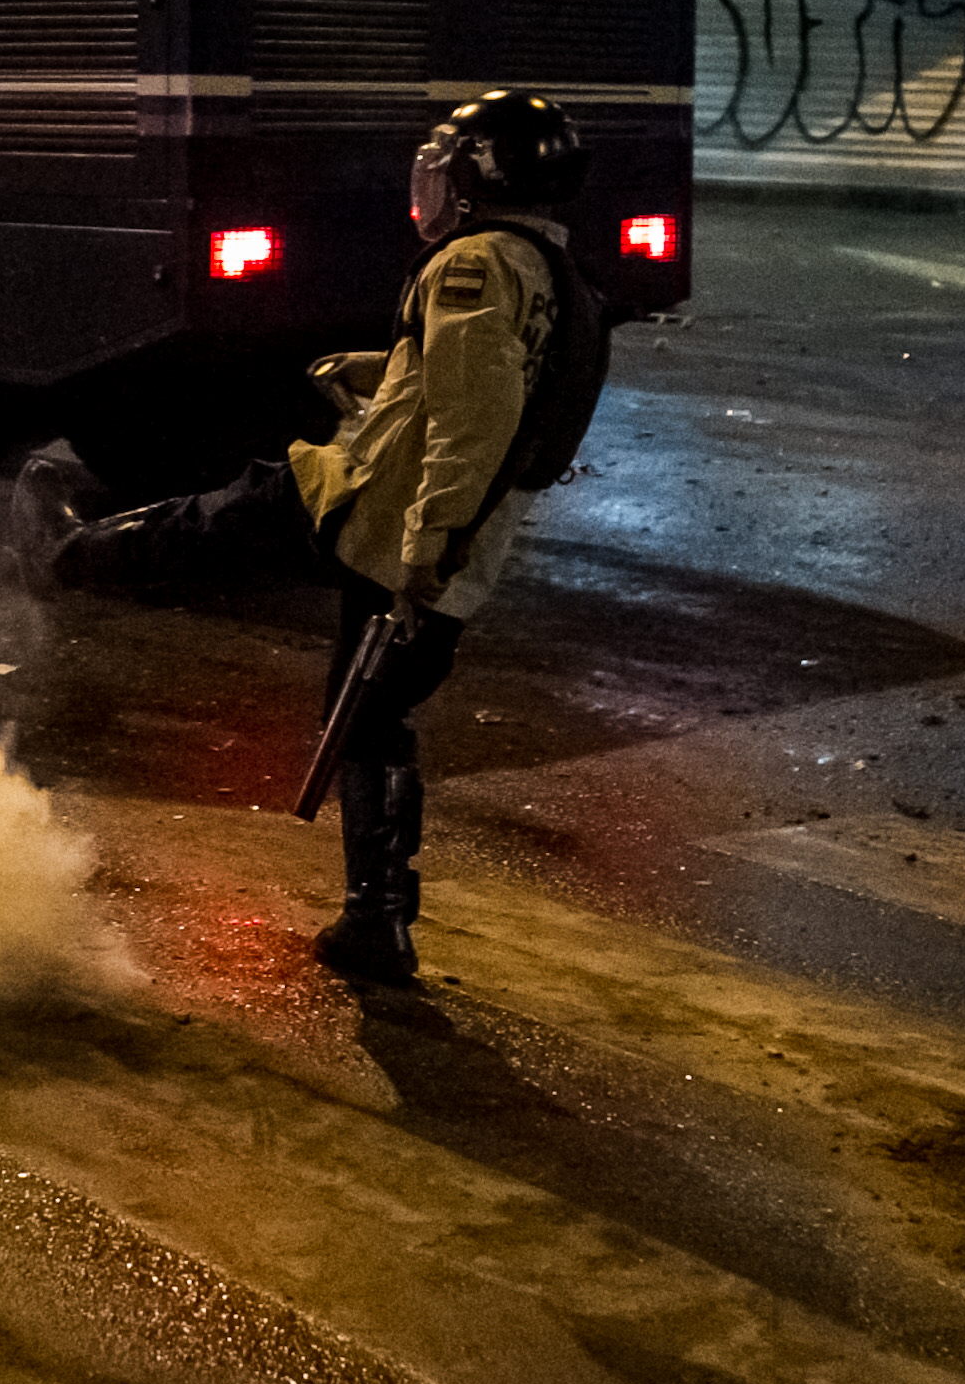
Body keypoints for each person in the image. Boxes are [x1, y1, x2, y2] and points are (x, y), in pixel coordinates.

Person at [43, 91, 608, 985]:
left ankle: (70, 547)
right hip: (460, 550)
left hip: (381, 513)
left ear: (480, 177)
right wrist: (387, 370)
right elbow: (494, 379)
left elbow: (478, 417)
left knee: (227, 516)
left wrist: (427, 538)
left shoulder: (473, 265)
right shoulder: (552, 273)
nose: (435, 179)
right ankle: (377, 922)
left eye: (451, 161)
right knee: (375, 716)